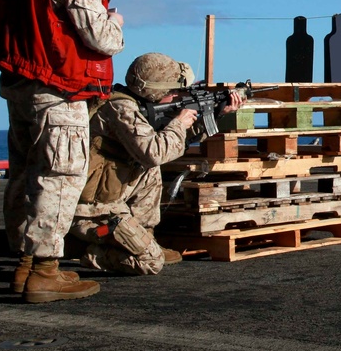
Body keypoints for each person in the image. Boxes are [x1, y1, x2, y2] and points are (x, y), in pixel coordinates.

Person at [0, 0, 124, 303]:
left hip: (20, 84)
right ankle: (45, 271)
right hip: (58, 90)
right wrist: (115, 22)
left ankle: (25, 265)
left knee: (26, 174)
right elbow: (102, 39)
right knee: (59, 178)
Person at [68, 53, 242, 275]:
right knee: (151, 262)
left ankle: (145, 237)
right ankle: (90, 251)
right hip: (92, 211)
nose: (176, 96)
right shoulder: (121, 108)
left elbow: (174, 145)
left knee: (150, 169)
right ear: (156, 92)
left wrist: (217, 115)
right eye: (173, 92)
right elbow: (155, 152)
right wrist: (178, 123)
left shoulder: (137, 105)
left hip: (111, 200)